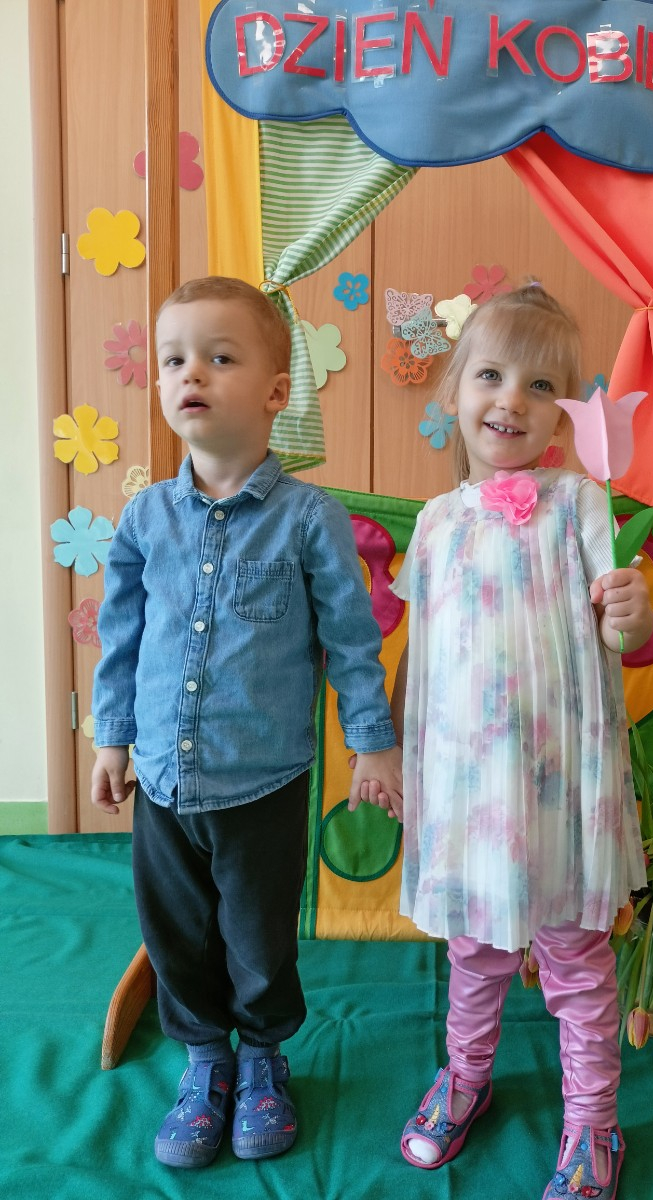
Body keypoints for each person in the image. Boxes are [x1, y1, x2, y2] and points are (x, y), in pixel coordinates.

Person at [91, 276, 402, 1170]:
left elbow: (352, 640)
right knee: (174, 932)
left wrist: (372, 743)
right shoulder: (145, 517)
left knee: (259, 938)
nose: (191, 374)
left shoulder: (310, 520)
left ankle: (263, 1058)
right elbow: (121, 636)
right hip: (162, 781)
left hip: (263, 779)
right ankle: (204, 1062)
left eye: (219, 357)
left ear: (275, 392)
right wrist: (112, 735)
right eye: (174, 360)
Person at [356, 283, 653, 1199]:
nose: (512, 399)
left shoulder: (581, 504)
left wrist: (630, 611)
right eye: (491, 375)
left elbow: (620, 631)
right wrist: (390, 749)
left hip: (562, 790)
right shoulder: (436, 524)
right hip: (469, 792)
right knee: (474, 952)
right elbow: (421, 653)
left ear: (564, 414)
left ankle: (593, 1122)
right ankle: (467, 1078)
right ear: (454, 391)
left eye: (540, 385)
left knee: (576, 960)